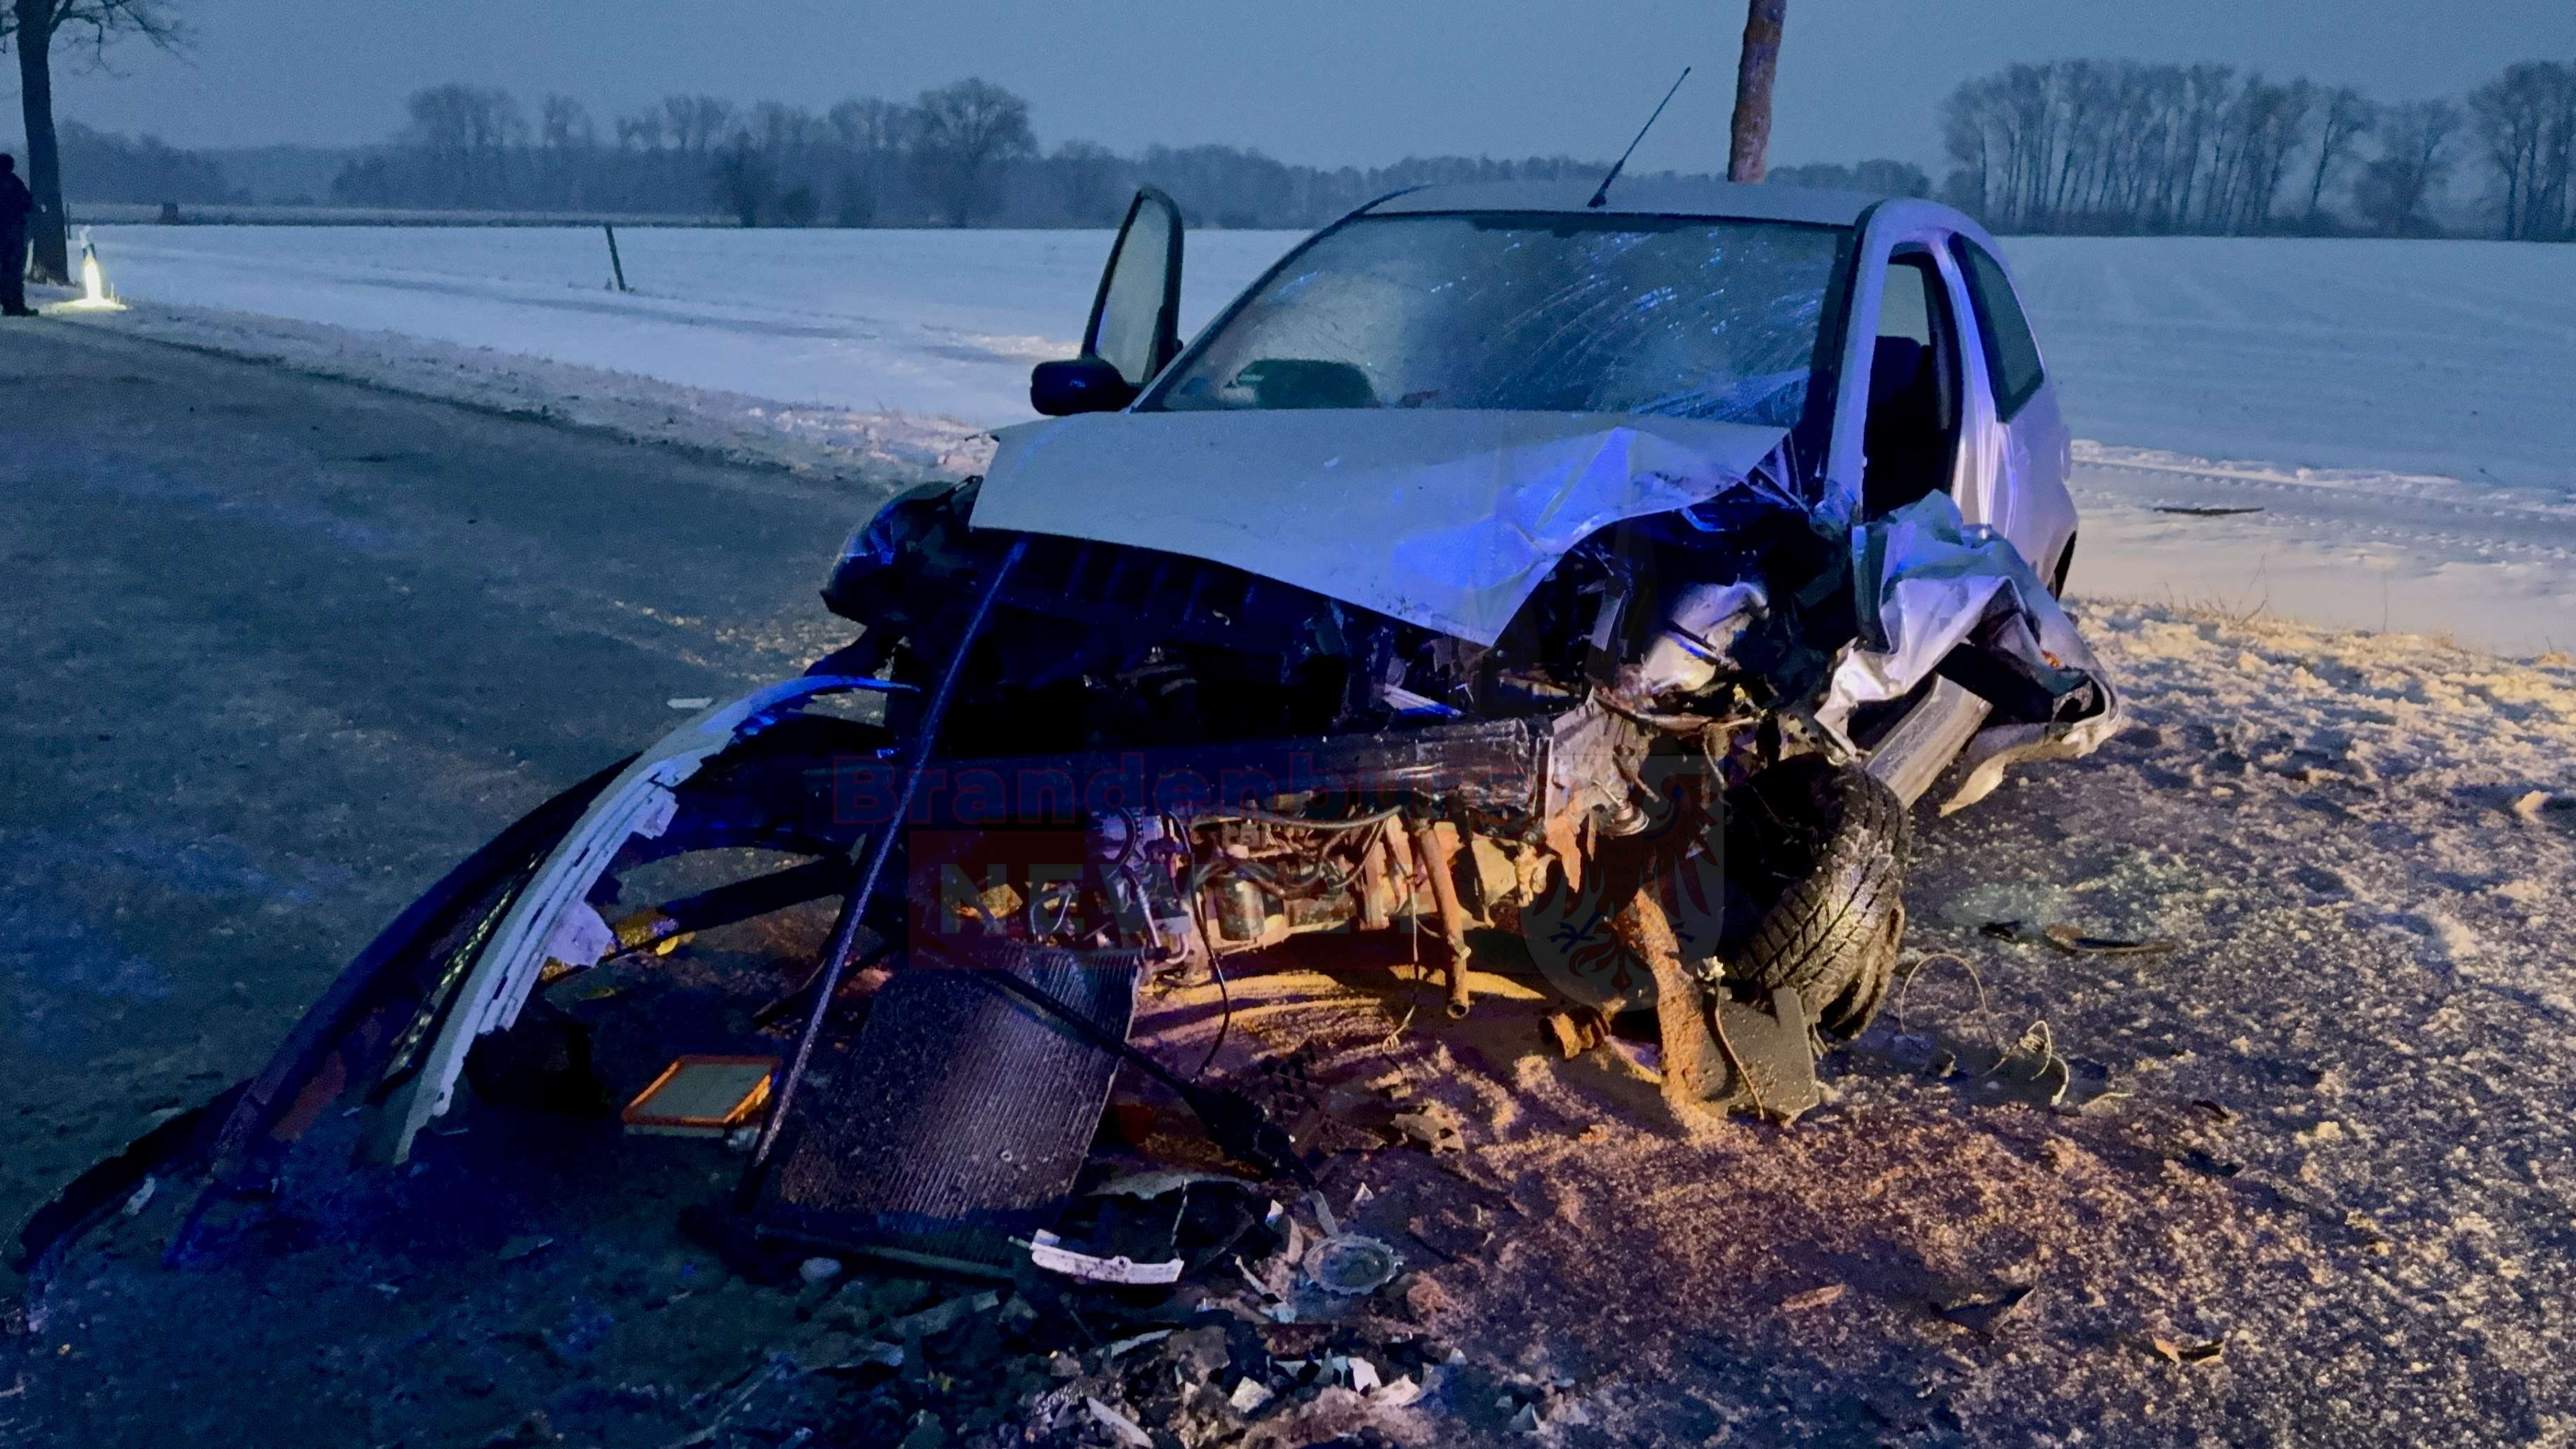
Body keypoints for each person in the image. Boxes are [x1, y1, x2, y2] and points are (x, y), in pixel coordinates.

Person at [0, 154, 34, 317]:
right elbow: (27, 203)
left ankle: (7, 300)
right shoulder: (14, 183)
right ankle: (14, 305)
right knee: (13, 270)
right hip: (12, 233)